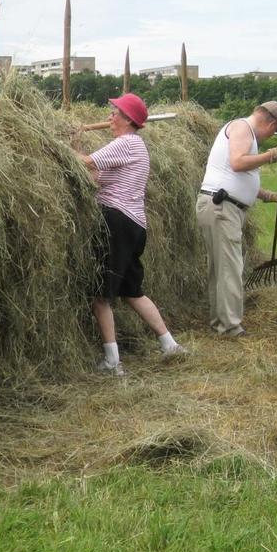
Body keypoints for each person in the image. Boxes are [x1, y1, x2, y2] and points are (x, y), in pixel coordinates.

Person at [74, 93, 185, 377]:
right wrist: (75, 142)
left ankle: (112, 362)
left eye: (114, 113)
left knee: (101, 295)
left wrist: (59, 145)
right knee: (133, 292)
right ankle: (169, 345)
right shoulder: (134, 147)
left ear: (126, 119)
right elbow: (94, 177)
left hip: (117, 223)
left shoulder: (125, 143)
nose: (109, 118)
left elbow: (86, 162)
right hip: (134, 225)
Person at [195, 101, 277, 337]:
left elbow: (234, 175)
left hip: (222, 206)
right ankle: (230, 327)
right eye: (275, 131)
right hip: (221, 208)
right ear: (270, 123)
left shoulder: (243, 131)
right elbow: (238, 163)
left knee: (222, 268)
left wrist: (267, 195)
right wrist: (272, 156)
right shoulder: (241, 128)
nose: (271, 136)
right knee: (229, 268)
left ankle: (221, 322)